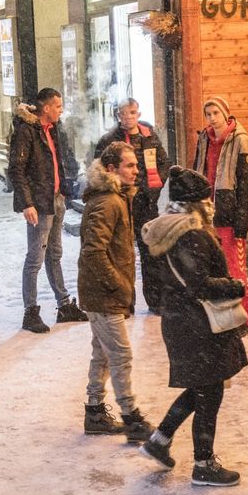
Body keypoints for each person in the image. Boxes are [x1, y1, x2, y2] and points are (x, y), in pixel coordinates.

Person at [138, 166, 248, 486]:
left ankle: (159, 440)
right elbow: (200, 285)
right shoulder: (192, 234)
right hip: (197, 325)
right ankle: (203, 464)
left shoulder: (167, 230)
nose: (211, 205)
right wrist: (234, 286)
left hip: (180, 321)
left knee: (202, 387)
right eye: (207, 200)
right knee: (209, 392)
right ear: (197, 204)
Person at [78, 142, 154, 442]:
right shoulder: (109, 201)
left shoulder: (116, 197)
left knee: (103, 354)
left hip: (102, 292)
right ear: (112, 169)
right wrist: (120, 284)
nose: (137, 171)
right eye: (130, 166)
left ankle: (94, 412)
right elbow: (93, 252)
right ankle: (130, 415)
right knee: (120, 355)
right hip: (103, 294)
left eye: (136, 165)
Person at [8, 88, 86, 333]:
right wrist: (27, 203)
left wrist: (64, 188)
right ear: (46, 107)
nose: (61, 110)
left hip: (55, 198)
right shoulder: (27, 131)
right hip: (40, 203)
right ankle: (30, 311)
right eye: (58, 106)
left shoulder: (53, 129)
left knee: (55, 254)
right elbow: (17, 170)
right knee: (35, 258)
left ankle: (64, 305)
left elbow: (58, 162)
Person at [96, 99, 171, 314]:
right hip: (120, 204)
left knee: (151, 253)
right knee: (122, 254)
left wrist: (151, 188)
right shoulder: (109, 140)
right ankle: (125, 301)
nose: (128, 117)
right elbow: (100, 169)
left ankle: (155, 301)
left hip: (147, 204)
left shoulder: (149, 136)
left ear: (138, 113)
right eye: (123, 113)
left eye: (132, 112)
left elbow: (164, 163)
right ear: (118, 115)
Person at [192, 96, 248, 321]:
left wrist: (242, 223)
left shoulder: (240, 140)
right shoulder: (204, 138)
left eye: (215, 113)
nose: (212, 118)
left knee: (234, 270)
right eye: (208, 114)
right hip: (206, 212)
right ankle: (219, 315)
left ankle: (243, 316)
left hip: (228, 213)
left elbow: (247, 186)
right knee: (211, 267)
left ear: (225, 113)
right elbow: (196, 170)